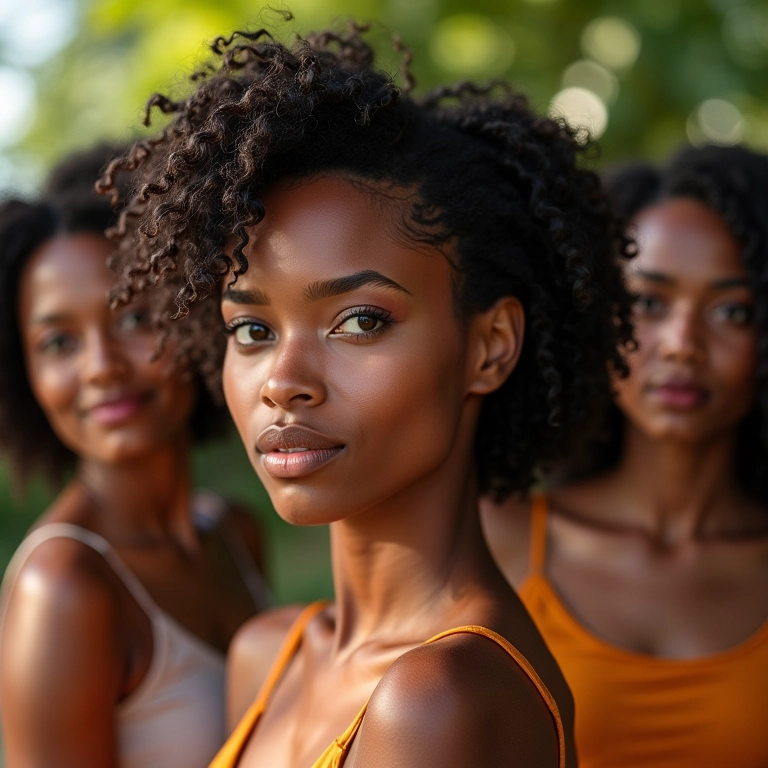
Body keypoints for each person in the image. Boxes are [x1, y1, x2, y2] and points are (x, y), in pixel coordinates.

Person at [100, 23, 634, 768]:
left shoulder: (440, 697)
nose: (284, 380)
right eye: (252, 328)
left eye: (360, 320)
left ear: (491, 347)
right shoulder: (273, 651)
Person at [482, 143, 768, 768]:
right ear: (597, 317)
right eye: (649, 302)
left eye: (731, 311)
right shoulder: (495, 542)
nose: (683, 345)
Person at [0, 145, 270, 768]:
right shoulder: (65, 587)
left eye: (135, 317)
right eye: (59, 341)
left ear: (197, 315)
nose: (100, 368)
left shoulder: (235, 534)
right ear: (26, 372)